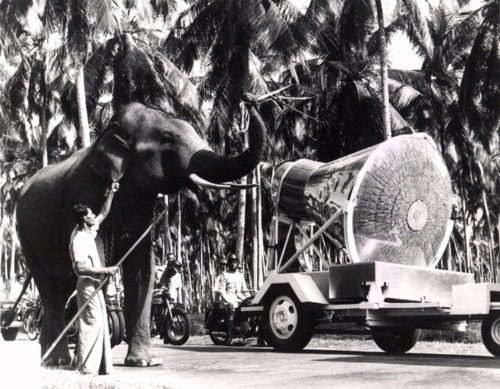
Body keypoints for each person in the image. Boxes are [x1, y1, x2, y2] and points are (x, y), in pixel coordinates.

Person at [70, 181, 120, 375]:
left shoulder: (89, 232)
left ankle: (99, 367)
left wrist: (112, 193)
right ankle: (85, 369)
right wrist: (105, 270)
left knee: (101, 323)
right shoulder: (79, 239)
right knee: (92, 323)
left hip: (95, 285)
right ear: (83, 219)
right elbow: (80, 267)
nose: (94, 216)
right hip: (87, 286)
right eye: (90, 214)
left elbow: (103, 214)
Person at [218, 254, 250, 345]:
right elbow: (222, 290)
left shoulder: (240, 275)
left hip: (239, 299)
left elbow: (244, 289)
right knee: (231, 308)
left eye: (235, 262)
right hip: (228, 298)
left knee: (253, 308)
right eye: (231, 262)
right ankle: (228, 337)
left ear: (237, 263)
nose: (233, 264)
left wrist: (250, 298)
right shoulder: (224, 275)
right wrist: (228, 301)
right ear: (228, 263)